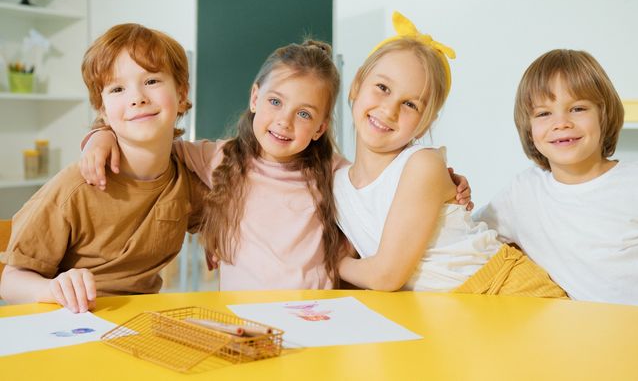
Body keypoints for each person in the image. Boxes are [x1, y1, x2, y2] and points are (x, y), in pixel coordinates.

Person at [79, 39, 473, 290]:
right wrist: (102, 134)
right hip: (243, 323)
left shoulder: (337, 176)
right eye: (275, 102)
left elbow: (386, 194)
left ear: (320, 127)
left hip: (318, 319)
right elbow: (151, 139)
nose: (284, 121)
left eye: (304, 115)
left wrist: (447, 186)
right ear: (255, 98)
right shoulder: (217, 158)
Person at [334, 11, 566, 298]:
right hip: (449, 308)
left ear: (426, 122)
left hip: (504, 288)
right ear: (357, 84)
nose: (389, 109)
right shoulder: (337, 184)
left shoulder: (422, 165)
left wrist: (336, 264)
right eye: (382, 88)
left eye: (410, 104)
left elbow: (386, 275)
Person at [0, 23, 204, 313]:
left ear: (182, 94)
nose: (137, 98)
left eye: (152, 81)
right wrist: (53, 288)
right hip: (72, 323)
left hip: (141, 322)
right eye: (118, 88)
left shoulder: (187, 178)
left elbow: (222, 221)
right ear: (103, 110)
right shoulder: (76, 187)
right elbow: (10, 281)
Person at [475, 49, 638, 310]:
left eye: (577, 108)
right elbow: (470, 237)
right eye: (544, 113)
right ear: (529, 130)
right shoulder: (522, 193)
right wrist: (453, 190)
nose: (561, 122)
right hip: (591, 337)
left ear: (604, 115)